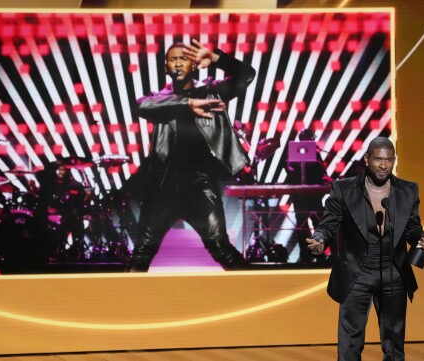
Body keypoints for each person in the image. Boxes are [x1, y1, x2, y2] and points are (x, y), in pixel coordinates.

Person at [124, 39, 255, 272]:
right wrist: (188, 103)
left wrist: (217, 59)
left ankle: (256, 293)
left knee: (220, 246)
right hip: (163, 186)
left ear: (194, 64)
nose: (177, 64)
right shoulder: (159, 99)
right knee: (142, 252)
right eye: (172, 59)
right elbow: (141, 106)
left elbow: (246, 75)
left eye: (183, 58)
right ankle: (122, 305)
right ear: (165, 67)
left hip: (200, 184)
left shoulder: (211, 90)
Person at [305, 136, 424, 361]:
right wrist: (319, 240)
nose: (384, 165)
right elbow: (328, 224)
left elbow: (411, 228)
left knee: (394, 343)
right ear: (367, 159)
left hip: (393, 272)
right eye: (378, 159)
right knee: (350, 343)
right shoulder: (344, 189)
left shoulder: (408, 190)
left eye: (389, 160)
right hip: (356, 273)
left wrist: (423, 238)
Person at [285, 128, 331, 264]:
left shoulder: (316, 154)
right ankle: (305, 255)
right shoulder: (293, 153)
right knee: (302, 226)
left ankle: (319, 253)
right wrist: (290, 168)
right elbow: (287, 167)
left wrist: (325, 178)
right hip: (299, 195)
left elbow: (322, 171)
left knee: (318, 223)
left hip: (313, 194)